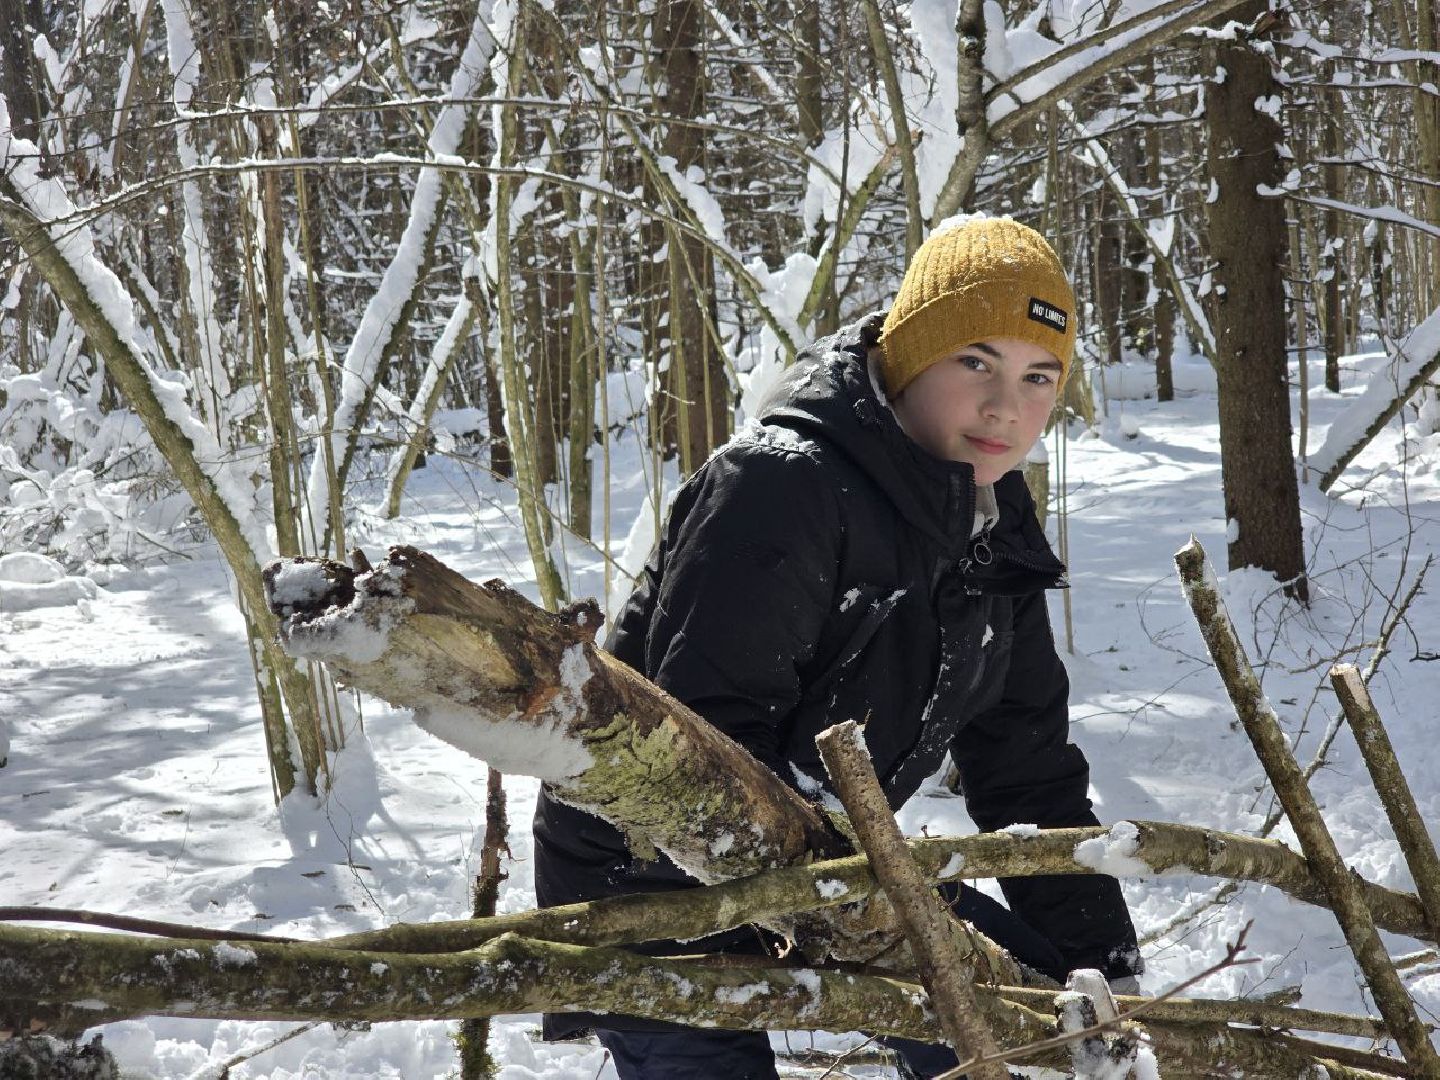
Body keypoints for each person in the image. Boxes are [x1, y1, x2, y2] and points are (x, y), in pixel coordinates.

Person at [532, 216, 1142, 1079]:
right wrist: (864, 914)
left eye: (1039, 375)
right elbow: (702, 757)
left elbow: (1026, 766)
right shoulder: (782, 486)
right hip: (649, 879)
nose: (1008, 406)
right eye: (976, 362)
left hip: (826, 864)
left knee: (1040, 1043)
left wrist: (1104, 975)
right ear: (910, 355)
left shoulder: (991, 512)